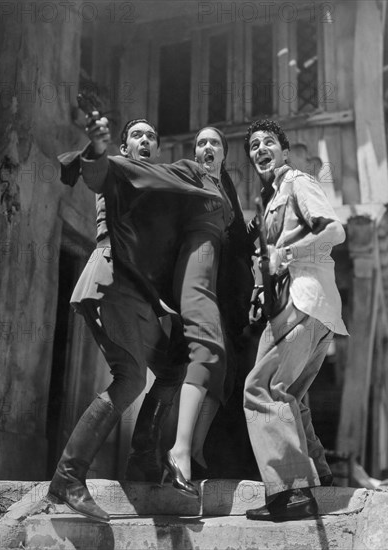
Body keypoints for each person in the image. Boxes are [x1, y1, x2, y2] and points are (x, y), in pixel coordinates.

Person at [49, 116, 226, 520]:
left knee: (171, 369)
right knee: (129, 379)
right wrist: (96, 146)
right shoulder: (119, 170)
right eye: (137, 135)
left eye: (151, 136)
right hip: (112, 281)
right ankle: (67, 479)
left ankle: (143, 458)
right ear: (125, 147)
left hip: (139, 294)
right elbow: (95, 172)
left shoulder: (155, 179)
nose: (144, 140)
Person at [242, 119, 348, 522]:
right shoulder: (270, 198)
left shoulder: (297, 182)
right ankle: (319, 478)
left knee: (263, 389)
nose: (260, 149)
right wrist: (258, 289)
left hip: (301, 300)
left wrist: (288, 252)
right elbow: (267, 258)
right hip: (312, 308)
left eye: (269, 142)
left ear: (284, 152)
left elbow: (335, 230)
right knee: (292, 398)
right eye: (254, 145)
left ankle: (291, 494)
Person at [165, 127, 254, 481]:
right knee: (198, 359)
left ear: (224, 152)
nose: (206, 147)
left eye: (214, 142)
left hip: (225, 293)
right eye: (201, 142)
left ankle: (195, 449)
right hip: (197, 276)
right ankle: (173, 451)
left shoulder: (225, 188)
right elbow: (155, 182)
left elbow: (238, 243)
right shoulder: (188, 172)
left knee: (224, 372)